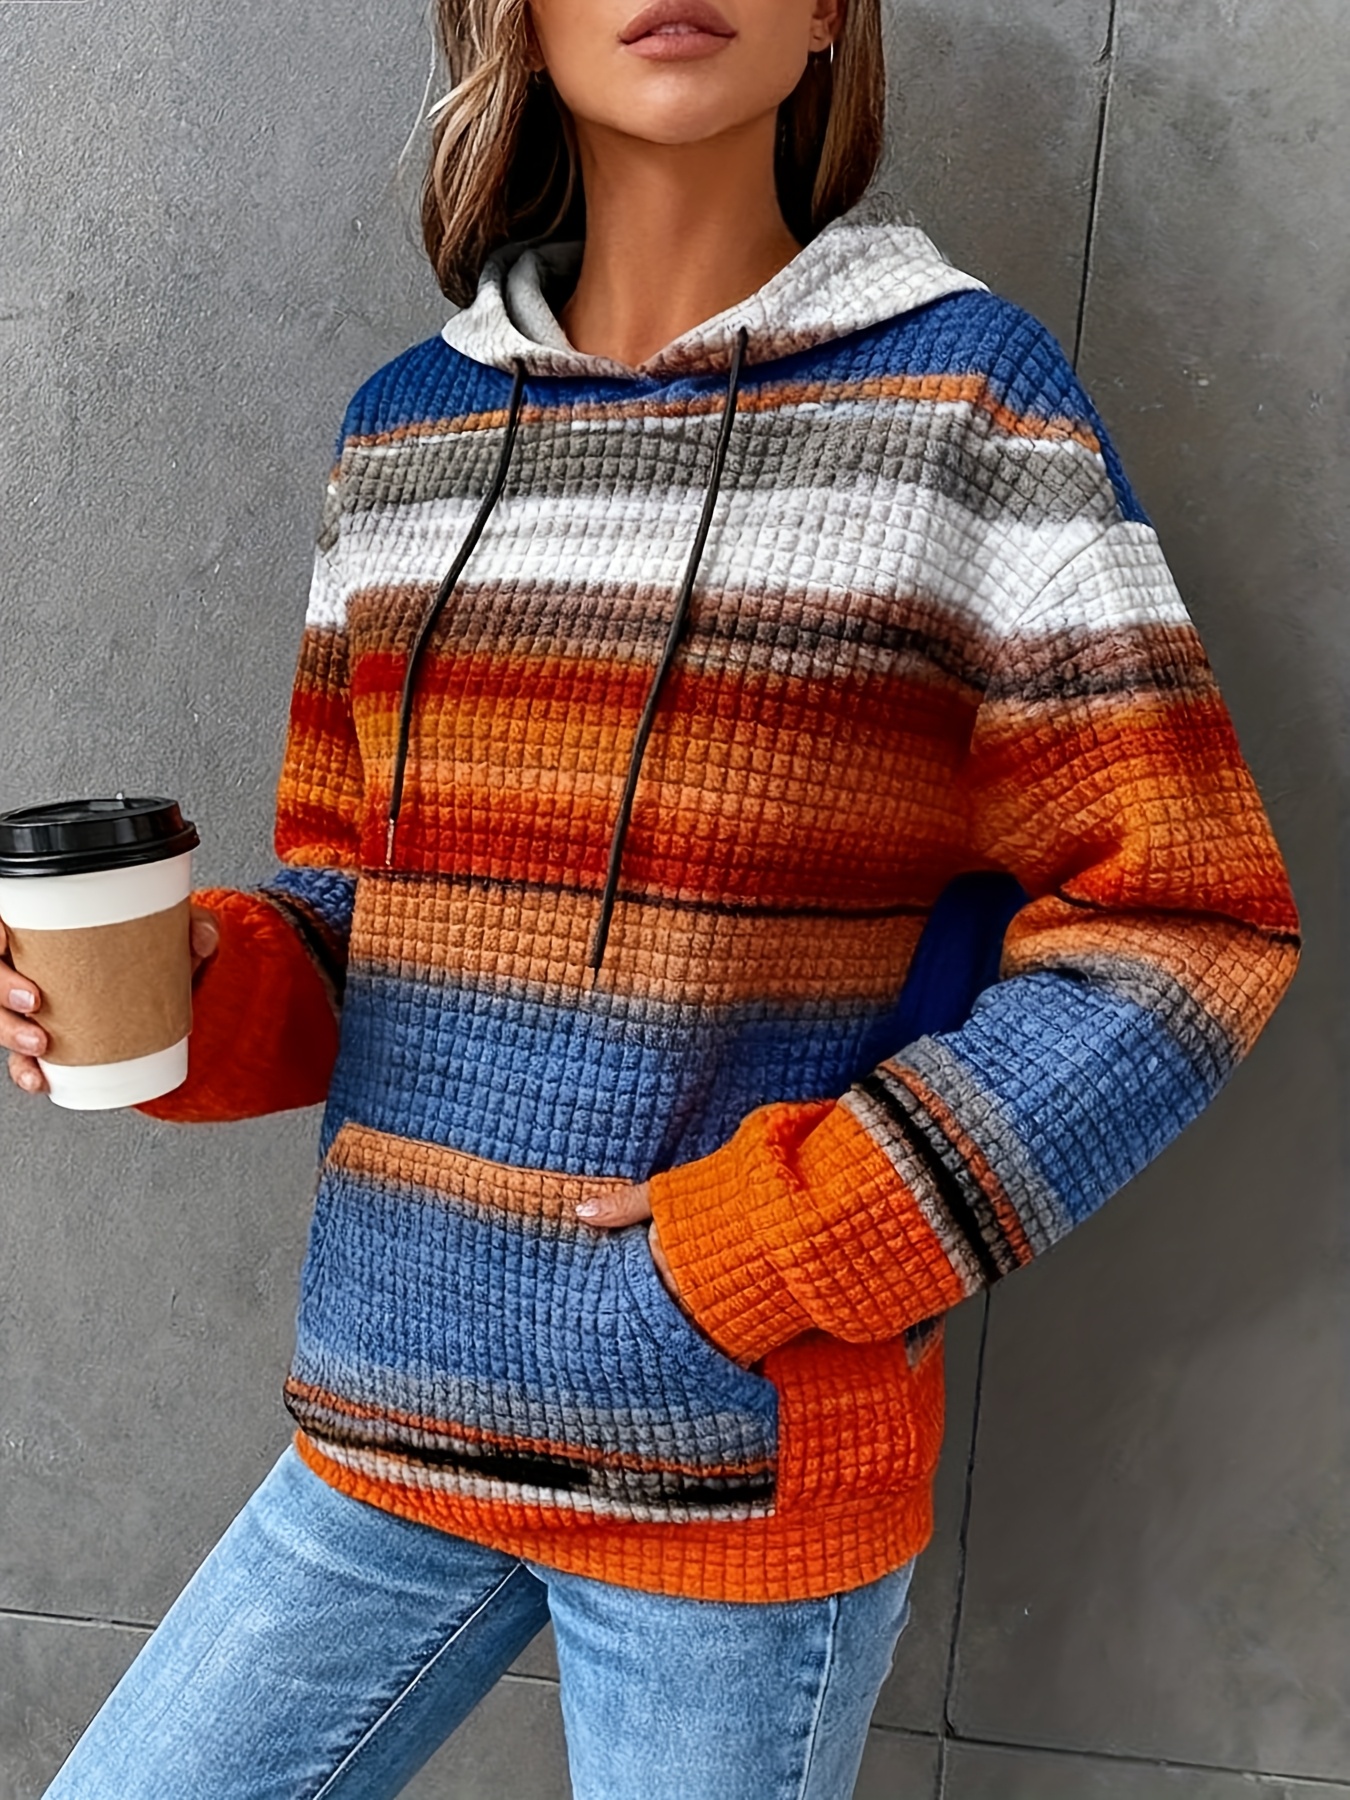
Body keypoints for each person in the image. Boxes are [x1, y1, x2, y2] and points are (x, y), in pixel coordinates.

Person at [3, 0, 1300, 1795]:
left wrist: (778, 1243)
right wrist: (187, 985)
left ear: (828, 17)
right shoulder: (402, 434)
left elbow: (1188, 926)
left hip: (727, 1470)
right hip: (388, 1415)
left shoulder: (966, 408)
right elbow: (359, 910)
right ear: (516, 23)